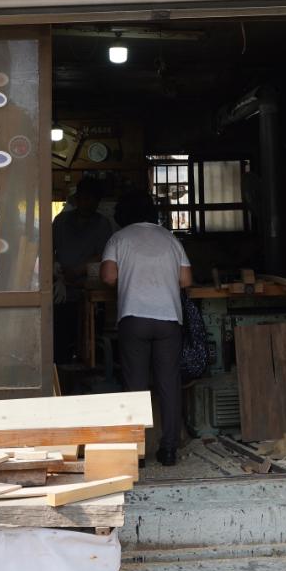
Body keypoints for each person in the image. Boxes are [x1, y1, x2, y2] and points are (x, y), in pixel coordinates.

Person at [102, 189, 190, 465]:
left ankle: (137, 451)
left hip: (134, 318)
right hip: (168, 319)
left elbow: (108, 277)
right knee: (169, 384)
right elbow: (186, 280)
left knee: (135, 385)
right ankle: (169, 449)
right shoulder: (170, 238)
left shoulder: (119, 238)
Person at [51, 177, 114, 352]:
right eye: (84, 199)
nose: (88, 204)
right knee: (62, 337)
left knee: (91, 341)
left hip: (90, 289)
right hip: (62, 289)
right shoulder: (61, 221)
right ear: (77, 199)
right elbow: (48, 247)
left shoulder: (102, 224)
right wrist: (55, 266)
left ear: (98, 202)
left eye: (93, 200)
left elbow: (104, 255)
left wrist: (77, 271)